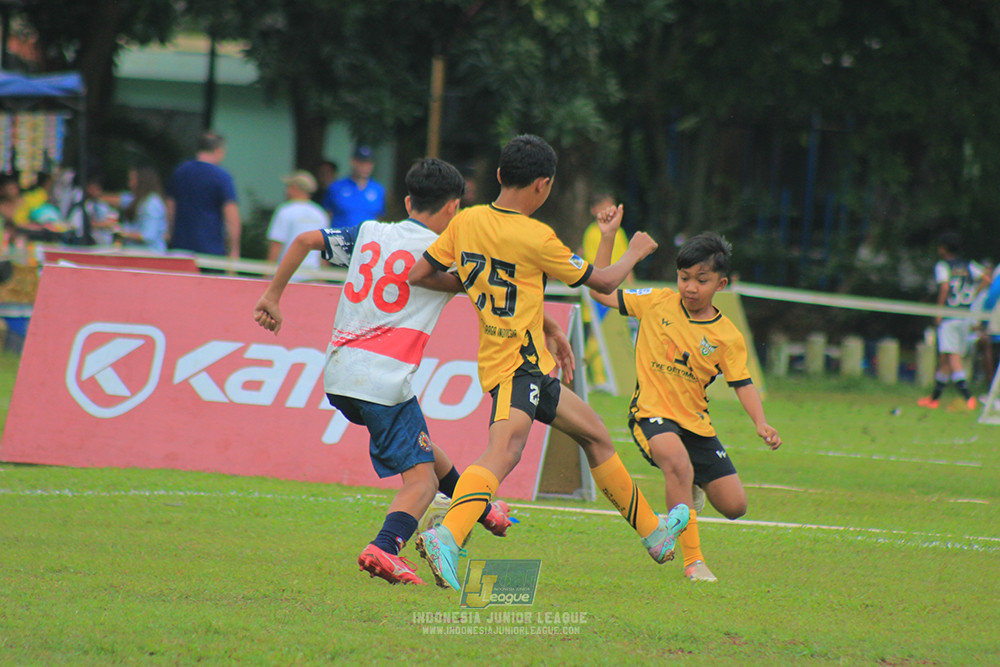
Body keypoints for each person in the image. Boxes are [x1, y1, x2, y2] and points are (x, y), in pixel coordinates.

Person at [409, 134, 689, 591]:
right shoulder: (537, 236)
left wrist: (501, 300)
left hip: (528, 362)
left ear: (499, 175)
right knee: (505, 451)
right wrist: (633, 250)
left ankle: (655, 535)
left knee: (595, 435)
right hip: (515, 365)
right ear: (543, 185)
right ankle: (448, 534)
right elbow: (603, 282)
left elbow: (422, 274)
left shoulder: (467, 221)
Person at [252, 158, 513, 586]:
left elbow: (301, 240)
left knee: (424, 446)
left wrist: (272, 297)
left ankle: (482, 508)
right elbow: (481, 287)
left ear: (408, 200)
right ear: (453, 210)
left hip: (339, 375)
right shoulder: (444, 254)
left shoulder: (369, 232)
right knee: (422, 482)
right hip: (383, 379)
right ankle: (384, 548)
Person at [589, 229, 782, 583]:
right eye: (684, 278)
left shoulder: (727, 336)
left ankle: (688, 489)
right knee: (677, 465)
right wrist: (609, 239)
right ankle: (693, 562)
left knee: (735, 506)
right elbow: (599, 291)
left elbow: (742, 382)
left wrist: (761, 422)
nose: (690, 287)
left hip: (695, 423)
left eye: (701, 280)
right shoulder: (656, 301)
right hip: (650, 413)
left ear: (720, 284)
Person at [918, 232, 985, 410]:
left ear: (943, 248)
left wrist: (939, 311)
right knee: (945, 358)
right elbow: (987, 278)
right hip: (965, 316)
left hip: (950, 316)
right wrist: (973, 294)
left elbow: (945, 286)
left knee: (952, 356)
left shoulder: (943, 266)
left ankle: (968, 396)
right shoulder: (969, 265)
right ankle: (934, 398)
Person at [579, 190, 634, 392]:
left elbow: (628, 260)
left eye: (611, 207)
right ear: (594, 210)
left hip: (619, 293)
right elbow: (597, 266)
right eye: (603, 208)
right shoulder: (593, 233)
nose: (608, 212)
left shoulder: (619, 232)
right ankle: (594, 378)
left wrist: (630, 286)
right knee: (595, 335)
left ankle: (607, 378)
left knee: (614, 334)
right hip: (601, 292)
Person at [166, 130, 241, 259]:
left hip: (180, 247)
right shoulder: (222, 177)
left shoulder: (180, 171)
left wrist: (172, 234)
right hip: (211, 251)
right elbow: (232, 218)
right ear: (218, 150)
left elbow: (170, 208)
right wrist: (234, 250)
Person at [265, 170, 329, 281]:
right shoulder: (320, 214)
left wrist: (267, 276)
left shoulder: (285, 211)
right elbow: (325, 249)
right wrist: (323, 278)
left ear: (294, 189)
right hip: (312, 276)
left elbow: (276, 245)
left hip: (287, 276)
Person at [322, 145, 385, 229]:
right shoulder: (336, 187)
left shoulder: (378, 189)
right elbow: (326, 215)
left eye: (369, 163)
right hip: (341, 238)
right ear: (353, 162)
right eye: (361, 162)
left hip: (368, 239)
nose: (365, 167)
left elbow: (379, 217)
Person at [115, 165, 168, 253]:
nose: (130, 184)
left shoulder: (151, 204)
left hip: (150, 257)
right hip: (137, 255)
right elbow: (120, 199)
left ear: (142, 181)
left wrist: (121, 233)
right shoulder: (138, 200)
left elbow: (147, 236)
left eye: (132, 180)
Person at [66, 173, 118, 245]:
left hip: (103, 244)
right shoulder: (80, 205)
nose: (97, 190)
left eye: (99, 187)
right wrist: (102, 224)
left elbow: (111, 220)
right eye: (94, 187)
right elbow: (78, 226)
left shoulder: (101, 205)